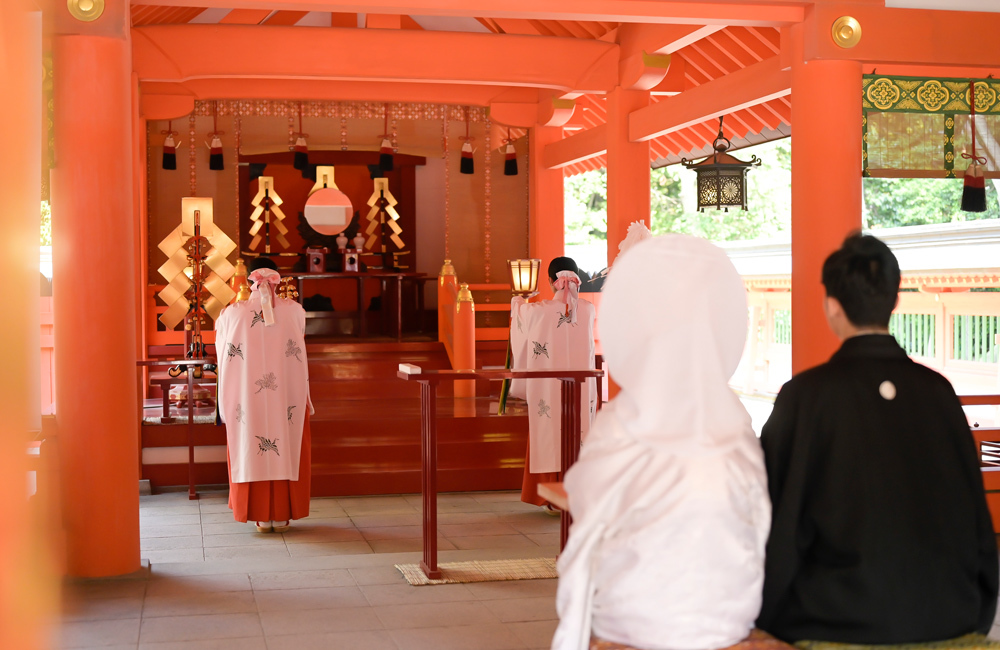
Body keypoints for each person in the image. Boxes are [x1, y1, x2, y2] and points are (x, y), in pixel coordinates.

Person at [758, 233, 998, 644]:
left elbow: (775, 513)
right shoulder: (938, 393)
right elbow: (974, 514)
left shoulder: (806, 396)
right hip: (946, 615)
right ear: (894, 301)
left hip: (834, 619)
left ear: (832, 306)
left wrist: (765, 608)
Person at [553, 235, 770, 650]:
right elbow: (759, 518)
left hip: (639, 616)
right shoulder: (735, 419)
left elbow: (586, 500)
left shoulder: (625, 417)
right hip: (725, 613)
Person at [215, 256, 313, 533]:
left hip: (247, 396)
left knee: (250, 446)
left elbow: (222, 351)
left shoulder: (231, 313)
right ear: (277, 278)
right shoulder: (295, 311)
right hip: (286, 395)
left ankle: (259, 516)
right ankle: (282, 515)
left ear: (248, 279)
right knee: (286, 441)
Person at [510, 256, 597, 508]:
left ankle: (551, 497)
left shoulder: (539, 311)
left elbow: (520, 318)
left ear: (551, 281)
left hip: (549, 387)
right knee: (579, 429)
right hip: (580, 387)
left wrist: (519, 298)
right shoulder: (588, 309)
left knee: (548, 429)